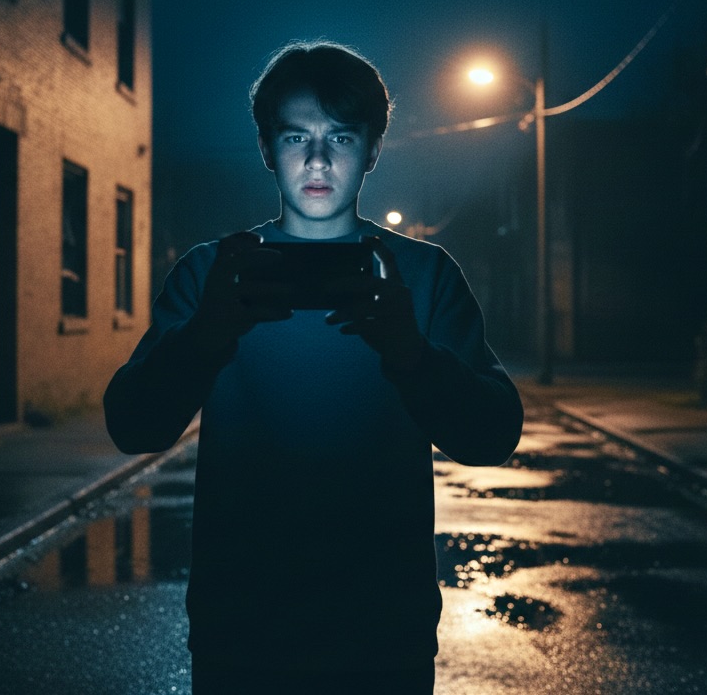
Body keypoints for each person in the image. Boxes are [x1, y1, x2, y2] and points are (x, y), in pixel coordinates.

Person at [103, 41, 523, 694]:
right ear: (268, 150)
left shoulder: (423, 276)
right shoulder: (214, 273)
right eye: (297, 135)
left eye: (342, 136)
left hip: (382, 635)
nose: (320, 159)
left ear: (374, 150)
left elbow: (494, 436)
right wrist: (204, 336)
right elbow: (133, 426)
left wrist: (414, 356)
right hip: (242, 633)